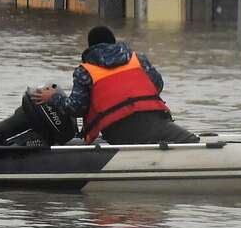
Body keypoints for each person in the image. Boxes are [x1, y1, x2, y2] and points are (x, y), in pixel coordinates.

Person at [54, 25, 198, 144]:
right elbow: (158, 85)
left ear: (90, 47)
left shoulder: (85, 71)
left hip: (117, 131)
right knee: (191, 142)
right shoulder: (138, 59)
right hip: (153, 121)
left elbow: (75, 108)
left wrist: (55, 97)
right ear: (114, 42)